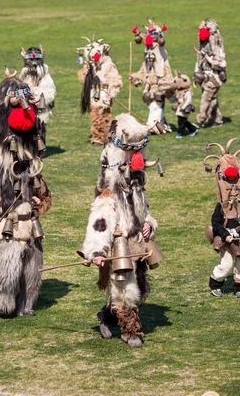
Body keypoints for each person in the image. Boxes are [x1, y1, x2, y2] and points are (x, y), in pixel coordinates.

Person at [79, 113, 164, 348]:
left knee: (139, 284)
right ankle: (131, 331)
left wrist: (148, 223)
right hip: (118, 244)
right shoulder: (109, 189)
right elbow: (100, 218)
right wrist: (97, 249)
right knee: (124, 288)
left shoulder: (136, 185)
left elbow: (144, 209)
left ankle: (106, 316)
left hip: (137, 242)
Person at [0, 71, 51, 316]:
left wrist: (40, 198)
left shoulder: (31, 159)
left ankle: (27, 302)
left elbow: (41, 186)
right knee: (8, 263)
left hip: (30, 216)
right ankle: (3, 301)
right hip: (8, 217)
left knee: (32, 264)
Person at [202, 138, 240, 298]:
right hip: (227, 239)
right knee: (225, 265)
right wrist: (225, 235)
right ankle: (215, 284)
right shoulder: (221, 206)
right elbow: (216, 223)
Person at [77, 36, 123, 146]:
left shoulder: (108, 65)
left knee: (105, 116)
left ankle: (106, 135)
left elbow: (115, 79)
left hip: (104, 94)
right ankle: (97, 137)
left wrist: (112, 92)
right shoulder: (90, 66)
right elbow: (83, 80)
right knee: (95, 116)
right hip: (94, 94)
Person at [130, 19, 173, 133]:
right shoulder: (148, 48)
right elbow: (145, 66)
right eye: (149, 34)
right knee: (150, 102)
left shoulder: (160, 46)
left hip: (160, 79)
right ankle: (163, 125)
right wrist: (137, 77)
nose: (150, 36)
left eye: (153, 34)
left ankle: (150, 127)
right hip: (150, 80)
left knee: (156, 104)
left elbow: (162, 41)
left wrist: (158, 35)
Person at [18, 45, 56, 144]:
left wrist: (35, 96)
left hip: (39, 107)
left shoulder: (44, 74)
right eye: (31, 59)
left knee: (39, 128)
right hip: (26, 105)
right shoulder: (24, 74)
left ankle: (38, 151)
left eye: (36, 60)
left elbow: (49, 93)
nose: (34, 63)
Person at [194, 19, 227, 128]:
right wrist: (196, 76)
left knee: (205, 100)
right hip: (204, 77)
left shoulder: (216, 47)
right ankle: (218, 120)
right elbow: (199, 61)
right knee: (212, 99)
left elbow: (222, 63)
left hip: (213, 78)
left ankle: (200, 120)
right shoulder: (203, 45)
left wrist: (210, 60)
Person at [171, 71, 197, 138]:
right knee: (184, 122)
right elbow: (177, 99)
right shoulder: (179, 92)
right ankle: (193, 130)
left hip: (184, 109)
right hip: (180, 109)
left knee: (181, 122)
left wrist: (182, 107)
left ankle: (180, 134)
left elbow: (188, 101)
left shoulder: (187, 92)